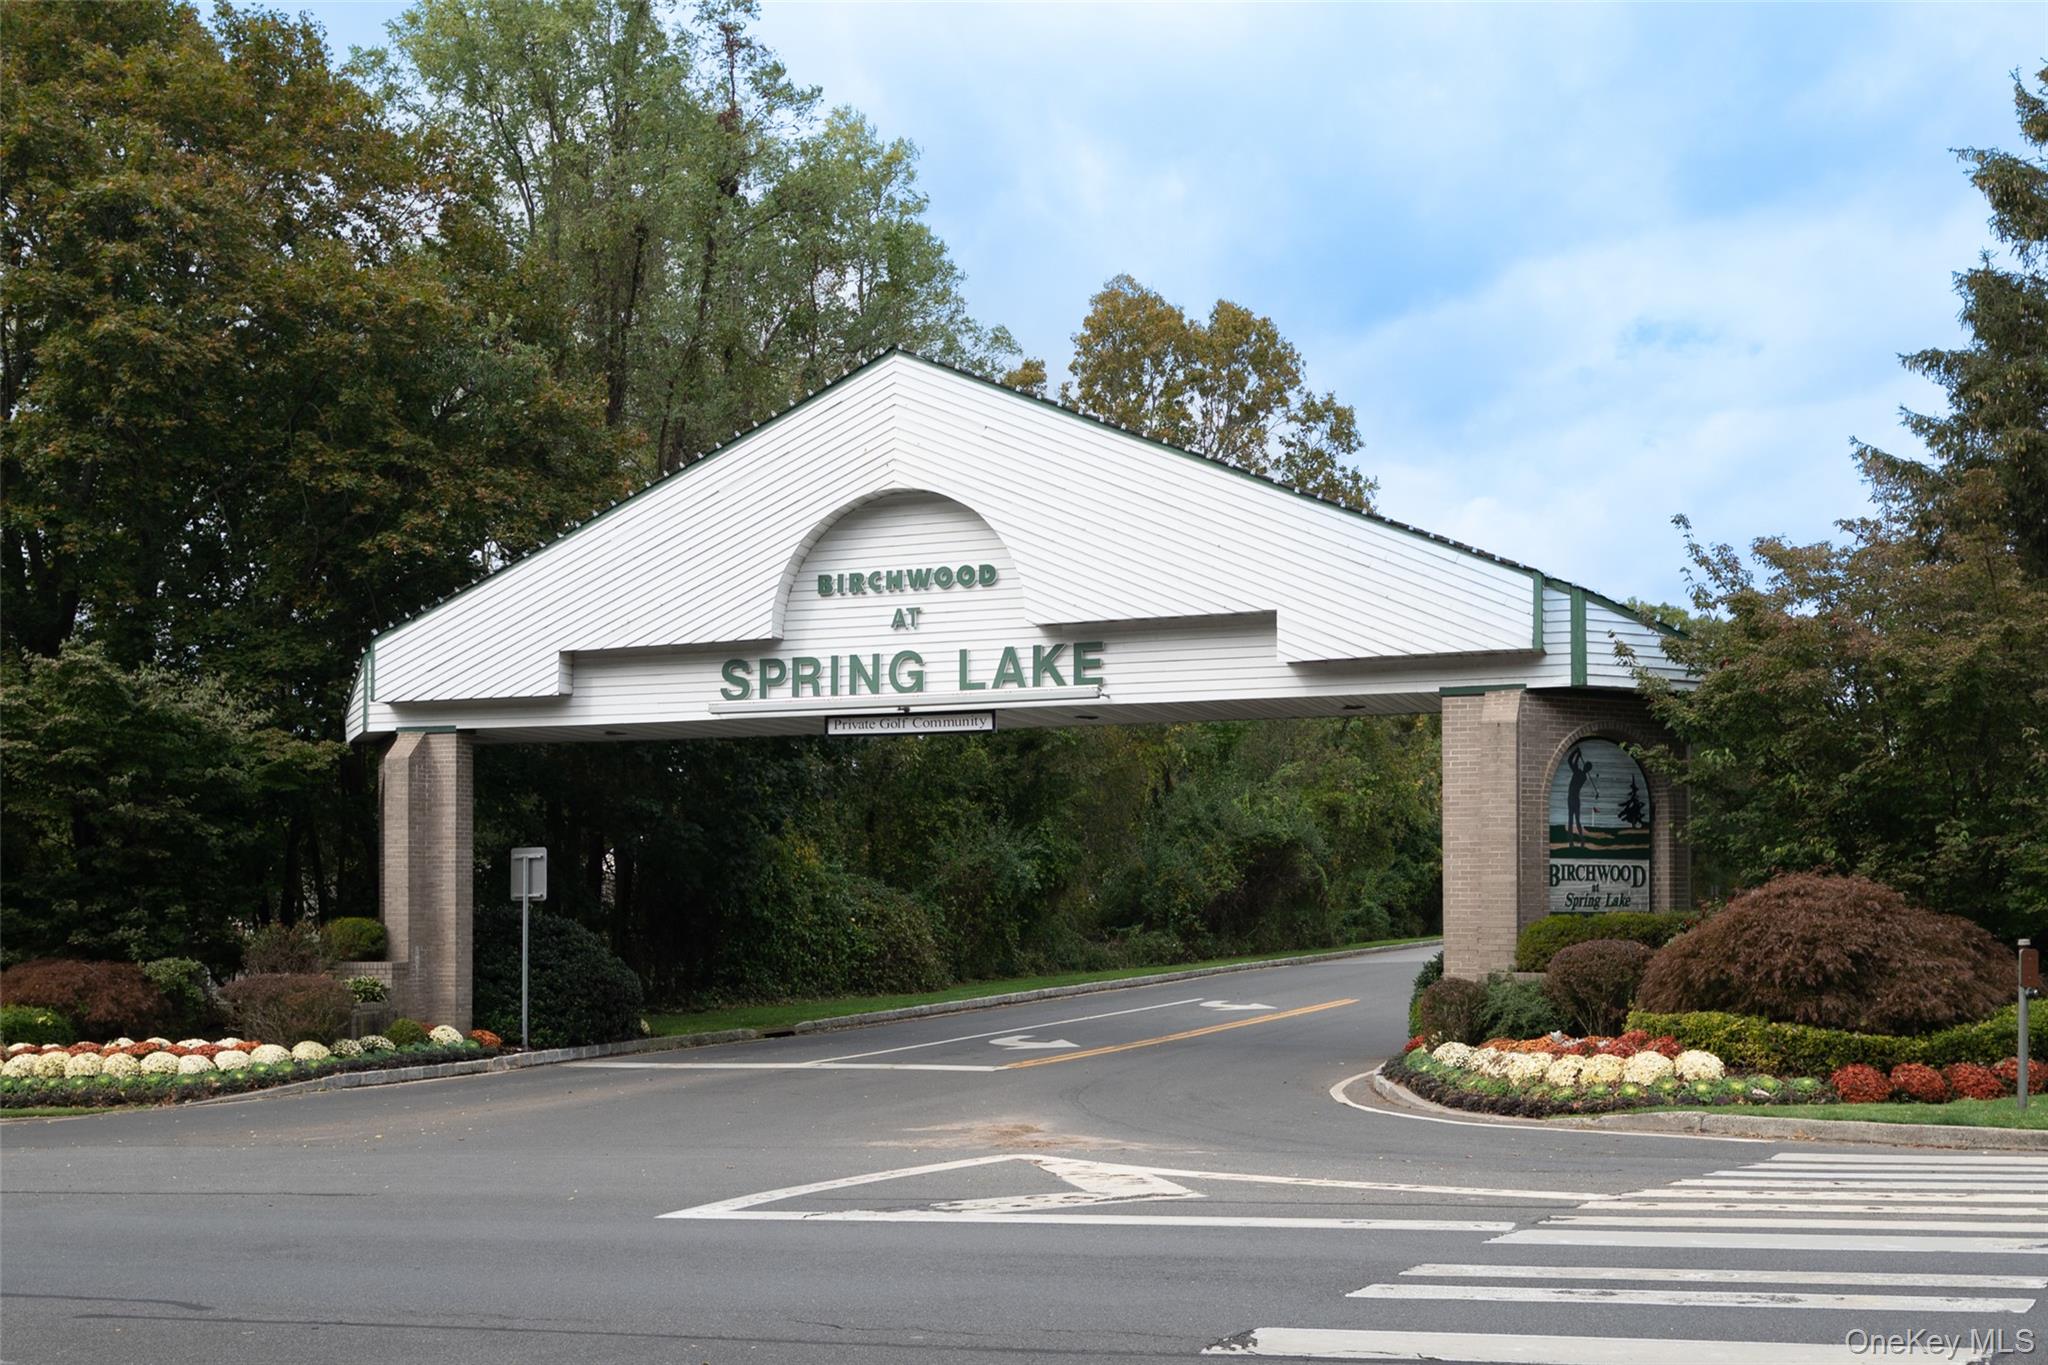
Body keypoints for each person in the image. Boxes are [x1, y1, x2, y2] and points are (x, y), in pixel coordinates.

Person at [1565, 746, 1591, 843]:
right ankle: (1581, 839)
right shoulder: (1583, 776)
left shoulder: (1579, 773)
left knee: (1571, 820)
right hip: (1575, 799)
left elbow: (1570, 761)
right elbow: (1573, 763)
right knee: (1576, 820)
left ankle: (1572, 840)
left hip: (1572, 799)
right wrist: (1578, 755)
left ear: (1586, 768)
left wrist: (1576, 753)